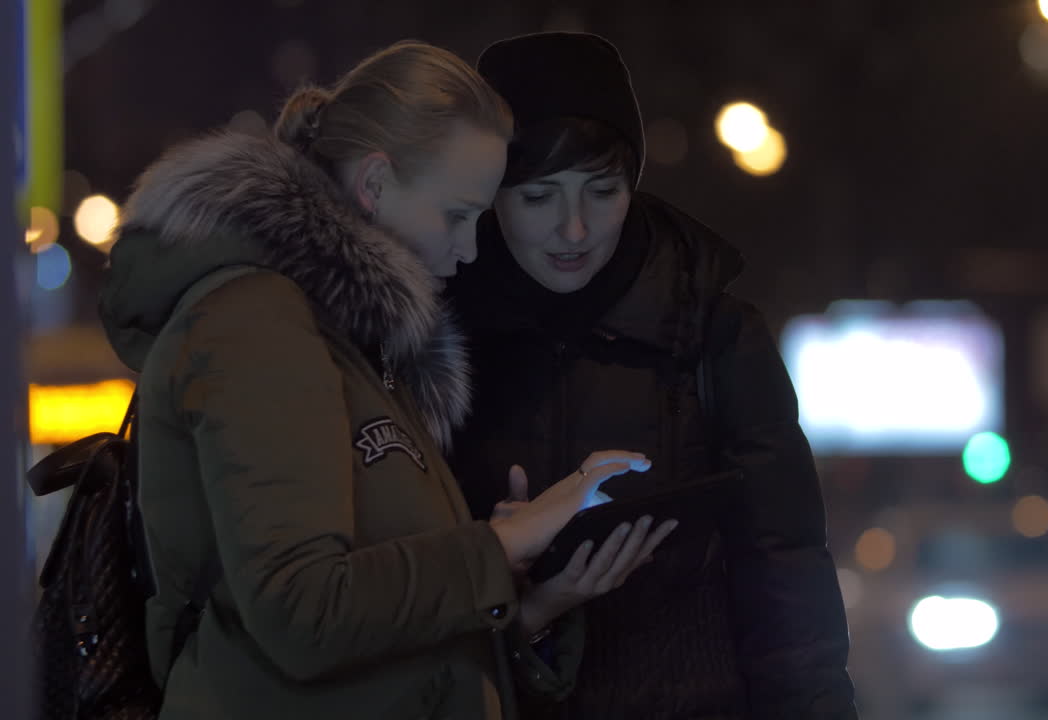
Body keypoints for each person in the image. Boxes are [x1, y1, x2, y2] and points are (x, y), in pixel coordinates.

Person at [97, 39, 667, 720]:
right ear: (373, 184)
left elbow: (379, 631)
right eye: (457, 216)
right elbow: (301, 612)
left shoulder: (347, 336)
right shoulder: (257, 321)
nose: (469, 249)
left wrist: (521, 587)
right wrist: (498, 546)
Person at [446, 32, 859, 720]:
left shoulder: (712, 333)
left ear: (633, 180)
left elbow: (786, 571)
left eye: (602, 191)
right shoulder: (436, 338)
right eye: (538, 196)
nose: (573, 230)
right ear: (491, 193)